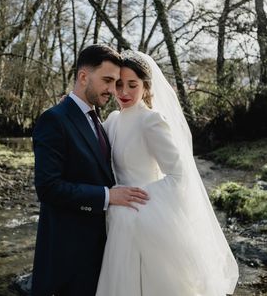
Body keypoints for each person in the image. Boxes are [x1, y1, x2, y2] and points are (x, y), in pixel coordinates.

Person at [96, 50, 239, 296]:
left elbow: (179, 176)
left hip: (145, 217)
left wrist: (135, 197)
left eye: (133, 84)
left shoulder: (150, 121)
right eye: (119, 84)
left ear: (146, 87)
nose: (124, 92)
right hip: (116, 219)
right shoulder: (112, 120)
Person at [31, 45, 149, 296]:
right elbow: (48, 187)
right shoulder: (54, 119)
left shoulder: (100, 120)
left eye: (116, 82)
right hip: (67, 257)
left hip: (102, 252)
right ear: (84, 76)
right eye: (107, 80)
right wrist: (108, 196)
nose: (113, 89)